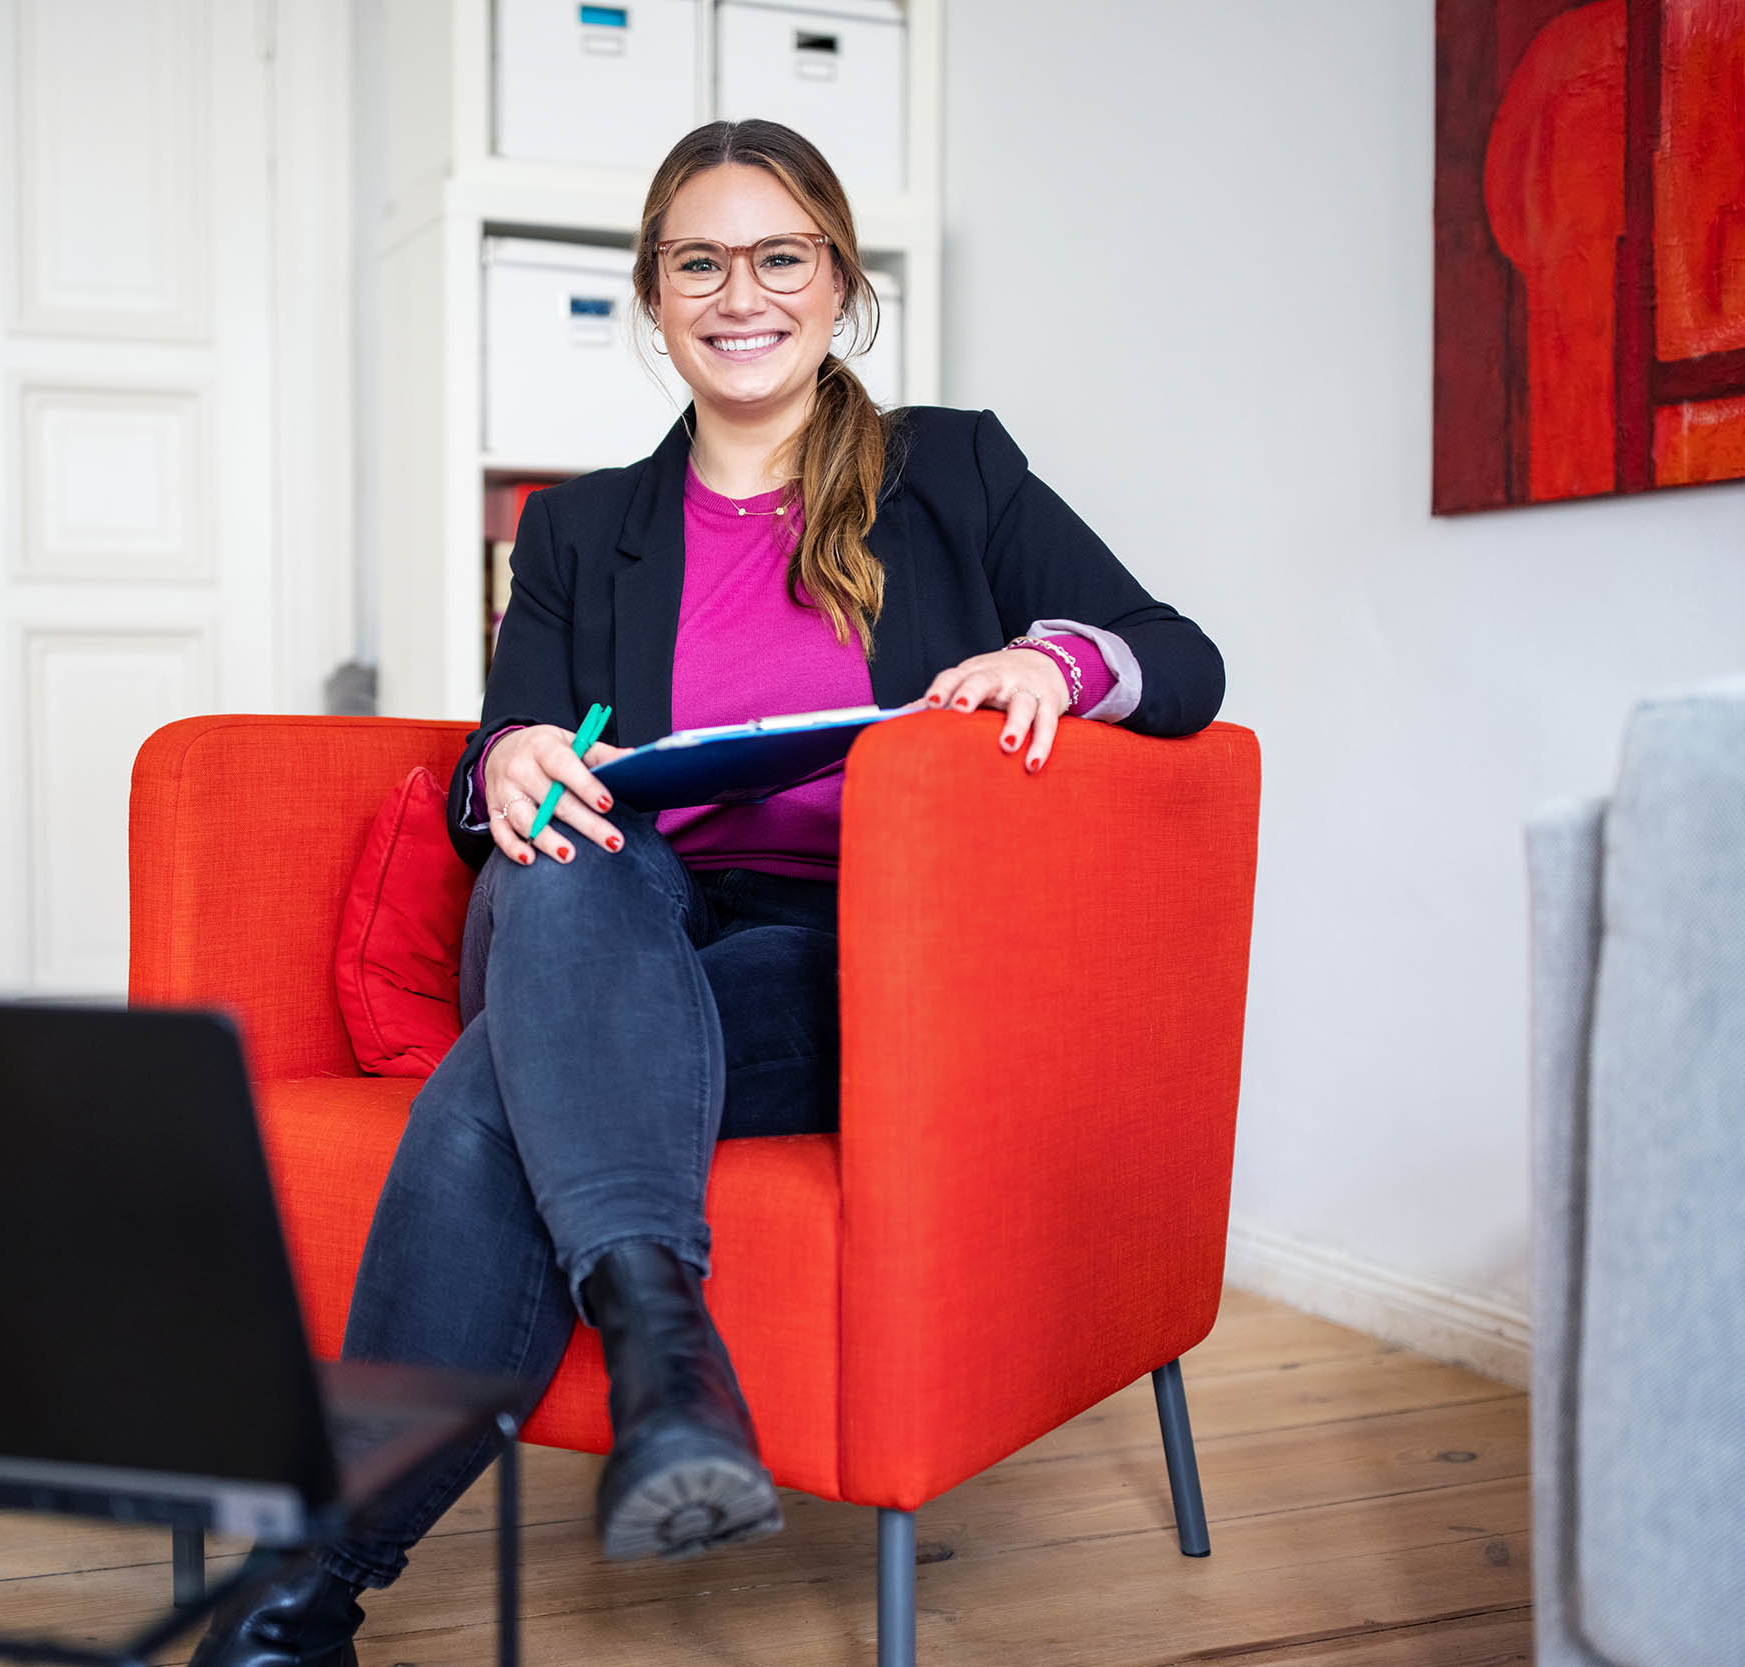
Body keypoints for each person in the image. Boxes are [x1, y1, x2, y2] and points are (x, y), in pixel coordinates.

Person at [189, 118, 1224, 1667]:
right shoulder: (578, 528)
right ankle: (671, 1367)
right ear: (655, 300)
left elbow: (1183, 658)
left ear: (838, 282)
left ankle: (304, 1597)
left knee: (493, 1090)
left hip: (846, 963)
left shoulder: (954, 470)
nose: (742, 293)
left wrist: (1053, 660)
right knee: (577, 861)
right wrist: (515, 762)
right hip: (613, 916)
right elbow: (495, 772)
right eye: (699, 263)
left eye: (780, 256)